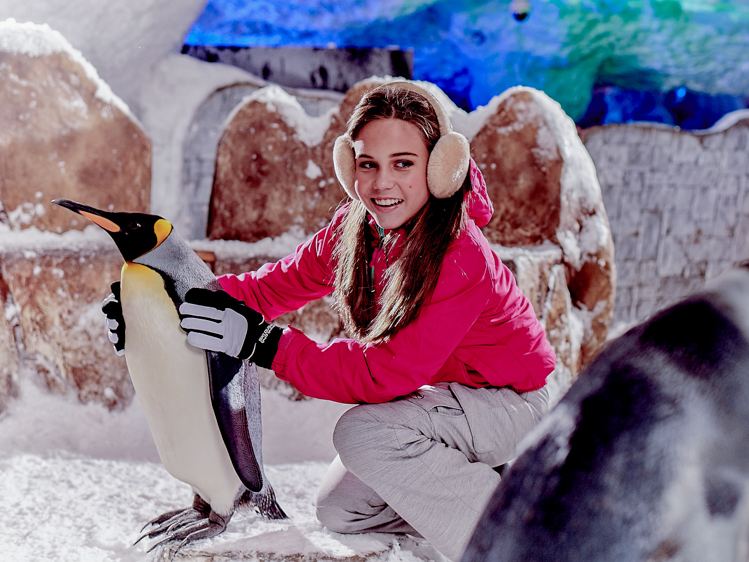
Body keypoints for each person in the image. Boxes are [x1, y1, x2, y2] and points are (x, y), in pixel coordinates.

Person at [105, 81, 555, 561]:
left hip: (509, 405)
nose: (383, 183)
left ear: (441, 167)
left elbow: (385, 374)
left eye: (404, 163)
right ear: (349, 168)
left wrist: (267, 346)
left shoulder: (459, 255)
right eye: (368, 164)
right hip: (449, 400)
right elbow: (270, 288)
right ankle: (499, 493)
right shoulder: (357, 227)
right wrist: (168, 301)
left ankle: (516, 546)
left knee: (364, 434)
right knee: (341, 510)